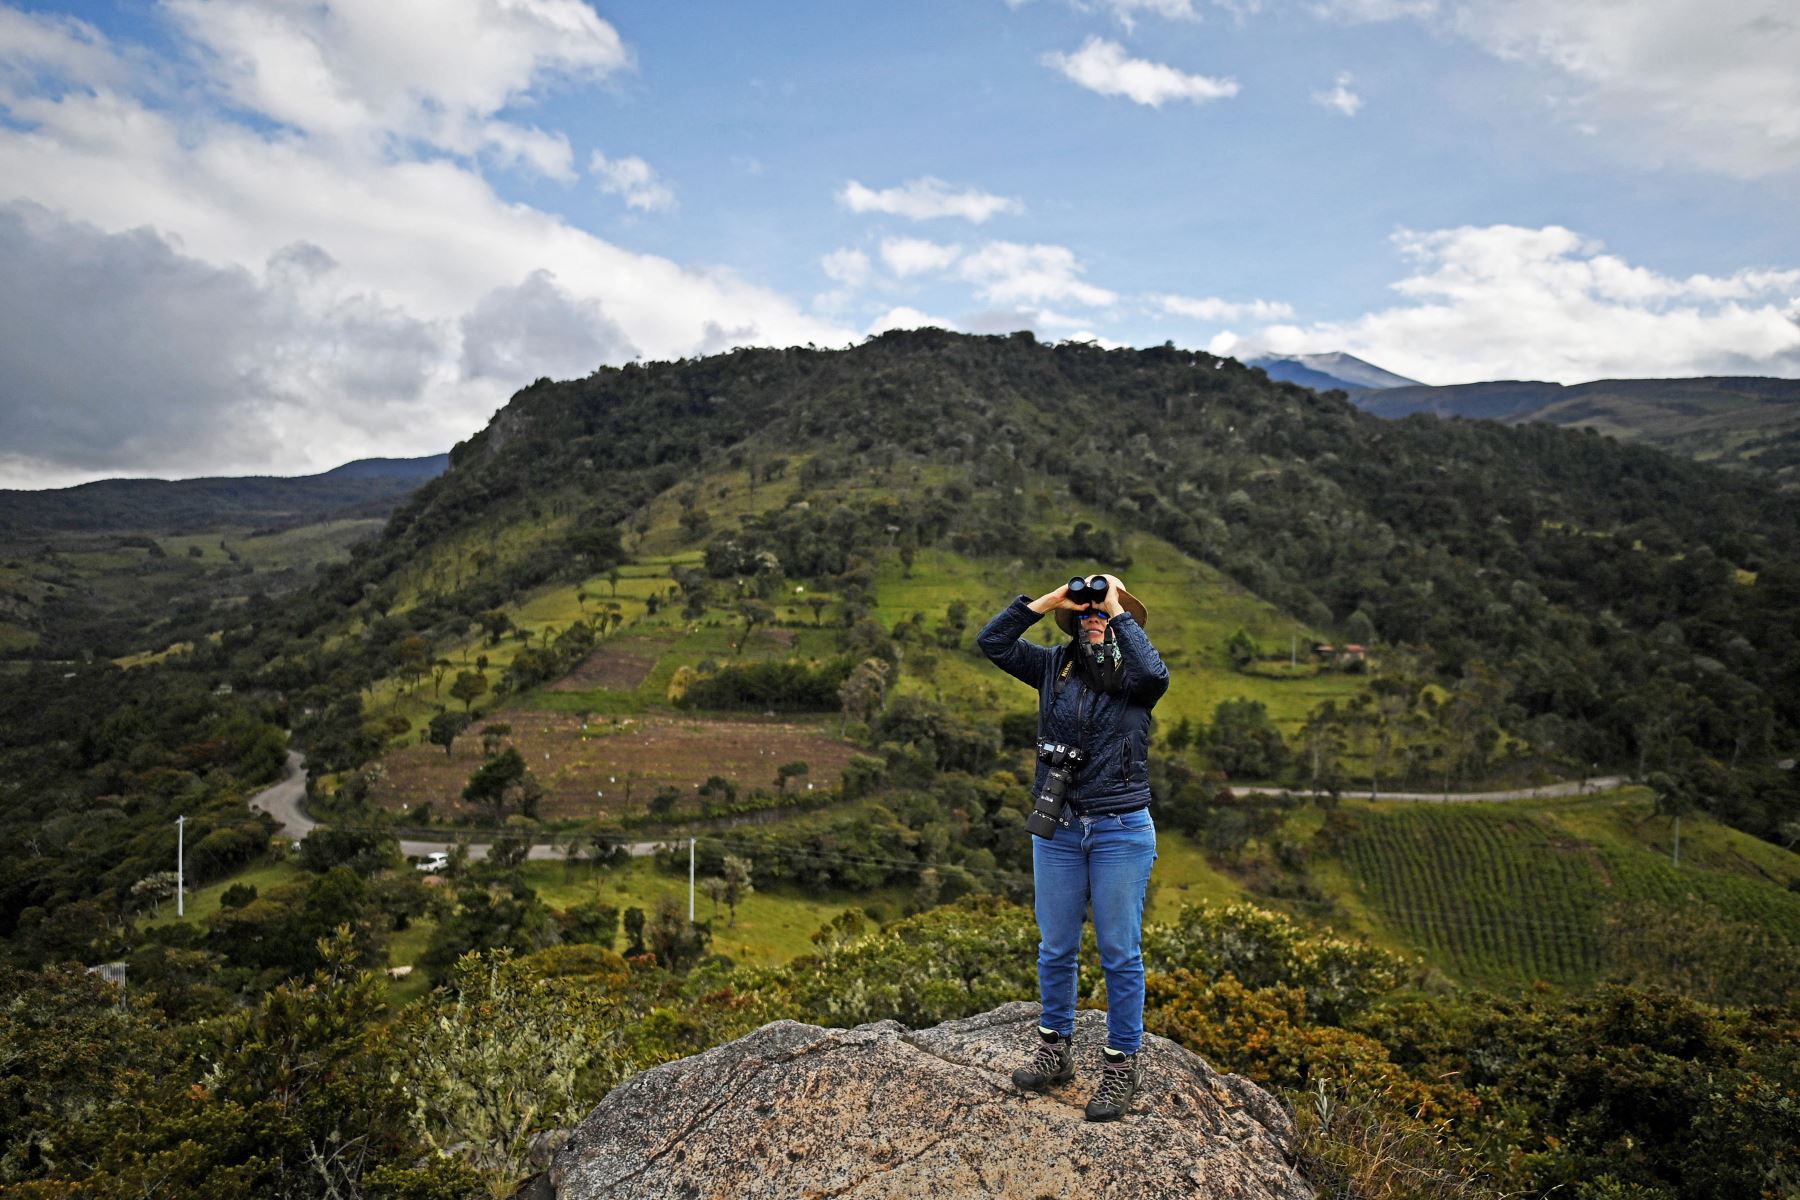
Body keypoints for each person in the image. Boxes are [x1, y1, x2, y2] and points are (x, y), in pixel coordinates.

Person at [977, 573, 1169, 1121]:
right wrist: (1047, 602)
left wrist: (1114, 606)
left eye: (1101, 610)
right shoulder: (1050, 668)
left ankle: (1119, 1066)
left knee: (1119, 951)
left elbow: (1155, 670)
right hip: (1059, 825)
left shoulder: (1138, 681)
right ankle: (1055, 1051)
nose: (1092, 615)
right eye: (1084, 611)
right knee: (1056, 946)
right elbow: (992, 643)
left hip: (1120, 828)